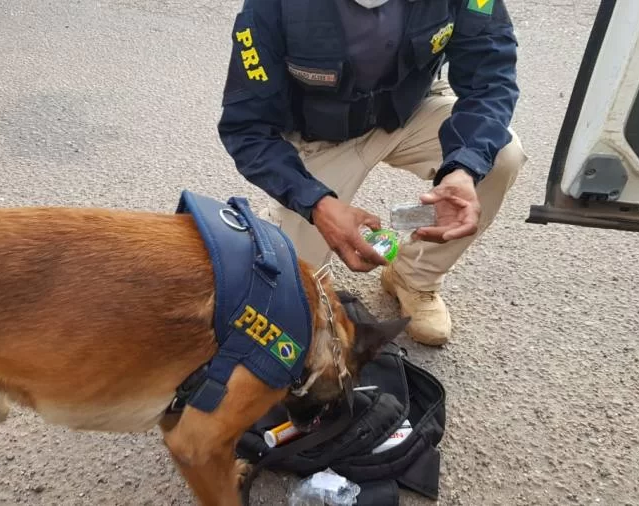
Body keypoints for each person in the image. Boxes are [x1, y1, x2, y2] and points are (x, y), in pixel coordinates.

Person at [217, 0, 528, 346]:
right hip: (320, 136)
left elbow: (490, 79)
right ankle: (280, 223)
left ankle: (414, 278)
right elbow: (246, 127)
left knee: (499, 154)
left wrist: (464, 167)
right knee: (285, 311)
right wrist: (314, 202)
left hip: (408, 109)